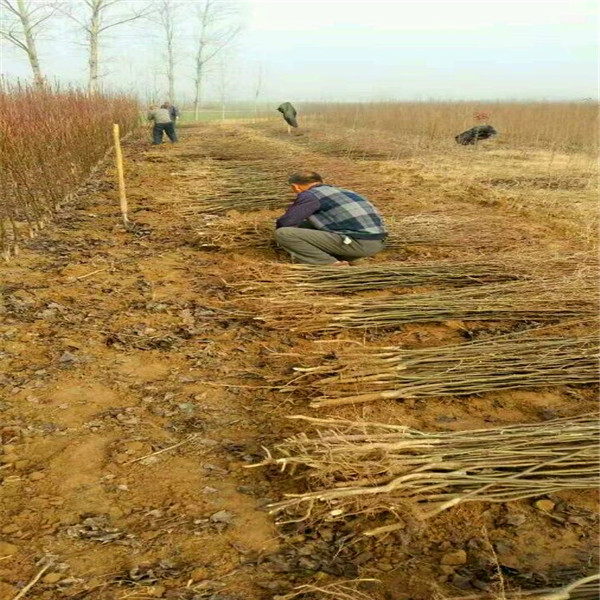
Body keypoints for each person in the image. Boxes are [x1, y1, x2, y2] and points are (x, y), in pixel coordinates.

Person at [274, 171, 387, 265]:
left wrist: (279, 238)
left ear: (295, 186)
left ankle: (330, 264)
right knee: (306, 226)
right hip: (376, 242)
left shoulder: (310, 195)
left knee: (284, 233)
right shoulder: (344, 191)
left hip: (357, 243)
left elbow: (288, 221)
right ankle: (352, 259)